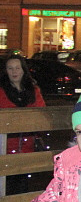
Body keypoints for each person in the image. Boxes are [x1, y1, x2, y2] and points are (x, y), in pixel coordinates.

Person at [0, 55, 46, 194]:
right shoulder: (2, 91)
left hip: (27, 147)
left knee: (22, 187)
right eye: (10, 68)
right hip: (5, 148)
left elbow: (41, 113)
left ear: (23, 70)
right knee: (5, 187)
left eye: (17, 68)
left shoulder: (33, 90)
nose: (14, 72)